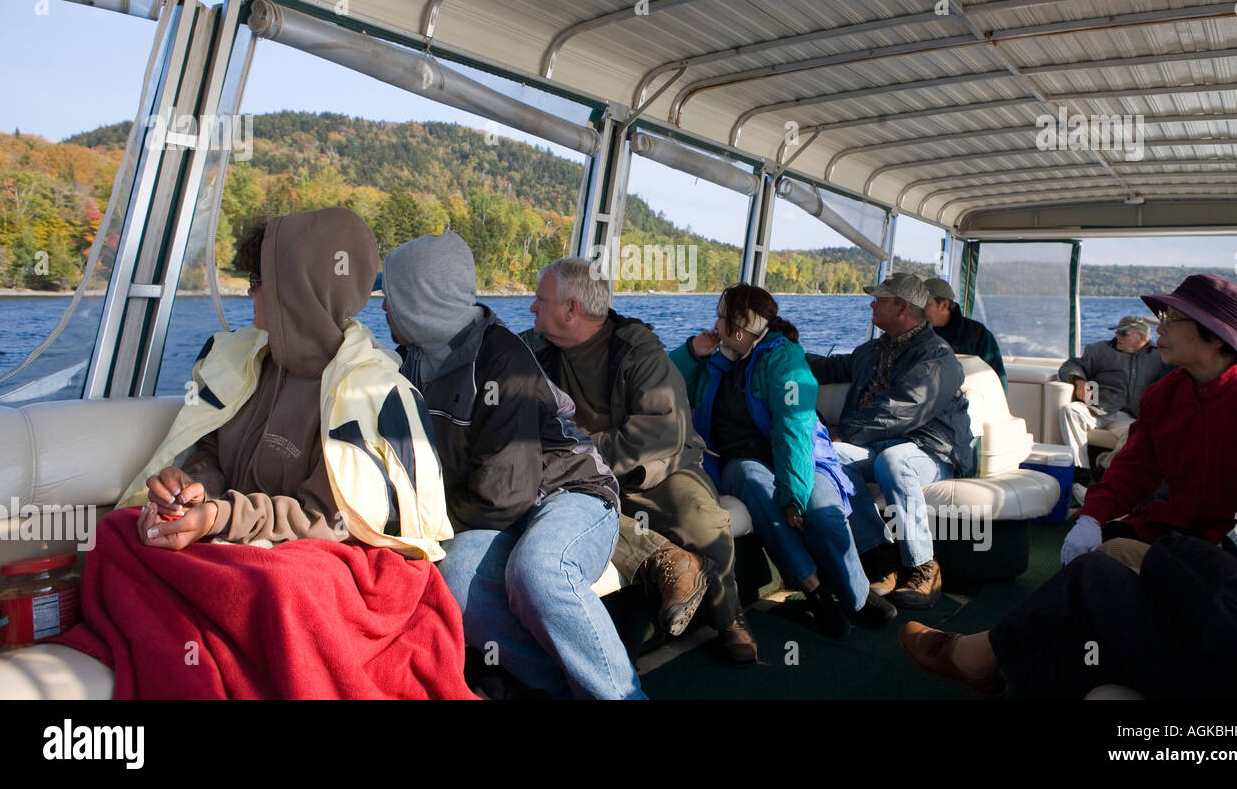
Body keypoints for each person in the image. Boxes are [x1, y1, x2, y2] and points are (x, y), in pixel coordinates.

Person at [91, 208, 469, 699]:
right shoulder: (245, 361)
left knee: (282, 588)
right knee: (115, 531)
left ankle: (207, 649)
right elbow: (211, 448)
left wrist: (219, 518)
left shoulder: (371, 391)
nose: (249, 291)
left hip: (333, 558)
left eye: (259, 279)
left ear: (298, 287)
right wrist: (188, 487)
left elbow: (332, 520)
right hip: (241, 539)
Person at [380, 231, 645, 700]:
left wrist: (425, 529)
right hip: (501, 507)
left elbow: (505, 494)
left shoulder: (503, 363)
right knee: (455, 581)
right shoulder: (411, 365)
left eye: (394, 297)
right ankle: (557, 691)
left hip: (573, 493)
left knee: (538, 569)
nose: (383, 308)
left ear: (423, 301)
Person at [522, 257, 758, 666]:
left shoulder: (637, 352)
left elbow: (660, 433)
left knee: (703, 519)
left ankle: (728, 615)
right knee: (571, 517)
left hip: (653, 471)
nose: (531, 308)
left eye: (540, 300)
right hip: (575, 480)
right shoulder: (531, 352)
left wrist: (578, 453)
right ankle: (668, 563)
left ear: (571, 309)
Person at [671, 283, 894, 639]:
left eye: (721, 316)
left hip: (802, 455)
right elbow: (662, 382)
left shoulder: (784, 360)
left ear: (739, 328)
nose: (715, 323)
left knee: (822, 509)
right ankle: (816, 591)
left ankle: (857, 596)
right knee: (754, 480)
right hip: (740, 462)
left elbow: (794, 429)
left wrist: (794, 495)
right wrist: (691, 352)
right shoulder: (716, 361)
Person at [898, 510, 1237, 699]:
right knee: (1083, 638)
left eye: (1125, 335)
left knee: (1093, 579)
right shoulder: (1170, 393)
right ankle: (992, 665)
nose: (1160, 339)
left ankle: (976, 658)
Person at [1060, 274, 1237, 572]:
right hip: (1173, 527)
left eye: (1173, 318)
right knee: (1095, 555)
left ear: (1217, 336)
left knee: (1105, 561)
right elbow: (1133, 470)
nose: (1160, 327)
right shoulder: (1164, 396)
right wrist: (1092, 517)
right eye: (1163, 316)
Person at [807, 273, 975, 609]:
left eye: (880, 299)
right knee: (829, 455)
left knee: (893, 460)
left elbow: (905, 408)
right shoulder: (872, 350)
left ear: (902, 308)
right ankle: (881, 557)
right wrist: (782, 350)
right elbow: (830, 368)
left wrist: (847, 430)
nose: (872, 303)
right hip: (878, 445)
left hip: (931, 450)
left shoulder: (937, 357)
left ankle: (923, 566)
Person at [1057, 315, 1166, 472]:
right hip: (1096, 410)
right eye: (1117, 332)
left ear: (1141, 336)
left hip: (1128, 416)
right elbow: (1070, 365)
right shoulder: (1099, 350)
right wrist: (1078, 380)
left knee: (1136, 434)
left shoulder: (1159, 358)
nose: (1117, 336)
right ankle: (1081, 471)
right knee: (1070, 410)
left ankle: (1103, 470)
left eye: (1123, 333)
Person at [923, 277, 1008, 392]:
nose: (919, 310)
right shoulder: (914, 334)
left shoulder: (977, 335)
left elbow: (997, 380)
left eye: (925, 304)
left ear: (944, 305)